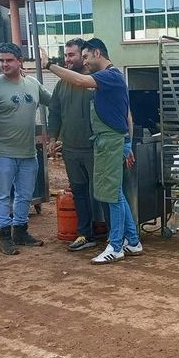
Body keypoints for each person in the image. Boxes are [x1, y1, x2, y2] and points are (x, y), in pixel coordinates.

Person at [42, 38, 142, 264]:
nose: (85, 62)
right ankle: (133, 242)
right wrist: (128, 143)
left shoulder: (109, 76)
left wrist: (49, 65)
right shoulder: (112, 77)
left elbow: (79, 80)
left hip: (110, 141)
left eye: (85, 56)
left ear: (97, 53)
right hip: (109, 141)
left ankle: (115, 245)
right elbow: (125, 113)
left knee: (112, 195)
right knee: (115, 193)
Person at [0, 43, 52, 255]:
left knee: (24, 194)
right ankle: (4, 236)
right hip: (2, 154)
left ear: (19, 61)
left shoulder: (33, 84)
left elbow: (55, 102)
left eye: (9, 60)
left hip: (28, 153)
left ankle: (20, 231)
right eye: (1, 61)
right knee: (1, 195)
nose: (5, 64)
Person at [47, 38, 109, 252]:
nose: (68, 59)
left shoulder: (96, 80)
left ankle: (113, 234)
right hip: (71, 150)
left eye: (72, 55)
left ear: (84, 56)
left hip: (95, 148)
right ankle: (85, 234)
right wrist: (53, 139)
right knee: (80, 192)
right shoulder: (62, 84)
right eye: (66, 55)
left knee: (102, 192)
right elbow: (54, 112)